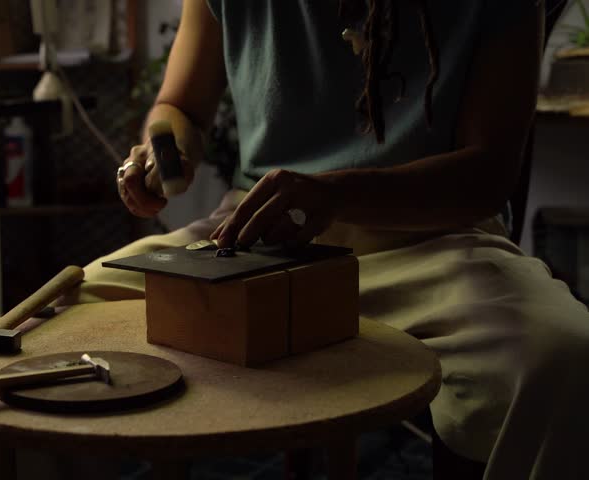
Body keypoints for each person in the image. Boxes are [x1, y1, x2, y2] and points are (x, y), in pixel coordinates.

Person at [58, 0, 589, 478]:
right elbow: (182, 107)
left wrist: (335, 195)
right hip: (252, 238)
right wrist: (161, 148)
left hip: (434, 244)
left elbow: (487, 173)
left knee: (563, 361)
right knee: (53, 328)